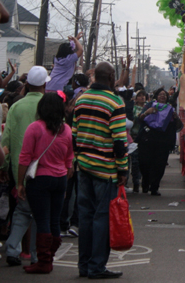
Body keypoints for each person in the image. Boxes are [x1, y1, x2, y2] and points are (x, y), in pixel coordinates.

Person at [72, 61, 128, 279]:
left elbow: (74, 134)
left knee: (85, 218)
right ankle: (97, 267)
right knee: (102, 219)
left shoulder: (82, 99)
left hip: (84, 167)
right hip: (106, 171)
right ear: (112, 76)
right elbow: (119, 142)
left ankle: (84, 265)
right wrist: (123, 170)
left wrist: (78, 159)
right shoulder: (114, 102)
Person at [16, 91, 74, 274]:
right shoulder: (66, 130)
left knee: (42, 220)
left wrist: (20, 183)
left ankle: (44, 261)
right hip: (60, 179)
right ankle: (49, 257)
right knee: (55, 220)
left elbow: (25, 157)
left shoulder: (35, 128)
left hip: (40, 180)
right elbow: (69, 160)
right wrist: (64, 178)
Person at [0, 65, 50, 266]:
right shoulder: (49, 106)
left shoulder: (16, 106)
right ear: (45, 84)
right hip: (45, 168)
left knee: (22, 209)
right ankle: (36, 254)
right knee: (41, 212)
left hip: (18, 166)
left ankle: (13, 248)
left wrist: (3, 167)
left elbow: (7, 138)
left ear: (27, 84)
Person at [137, 88, 181, 196]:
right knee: (144, 162)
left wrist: (175, 118)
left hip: (163, 141)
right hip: (148, 139)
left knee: (160, 164)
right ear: (156, 96)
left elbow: (178, 126)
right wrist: (147, 112)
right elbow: (139, 118)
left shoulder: (170, 109)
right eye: (160, 94)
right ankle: (146, 182)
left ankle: (154, 187)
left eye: (164, 95)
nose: (162, 96)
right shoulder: (150, 105)